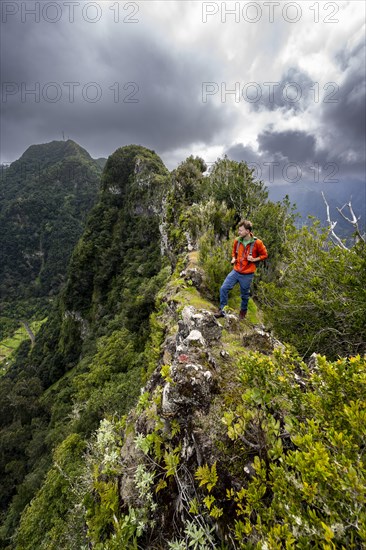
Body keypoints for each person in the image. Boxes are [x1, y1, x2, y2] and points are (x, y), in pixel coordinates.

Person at [214, 220, 268, 319]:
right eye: (239, 230)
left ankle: (242, 314)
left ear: (247, 231)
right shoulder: (237, 240)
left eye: (241, 230)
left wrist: (254, 259)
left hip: (247, 274)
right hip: (236, 271)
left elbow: (265, 255)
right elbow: (234, 252)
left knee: (244, 295)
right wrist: (233, 258)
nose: (239, 232)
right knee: (224, 288)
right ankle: (222, 310)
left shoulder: (257, 243)